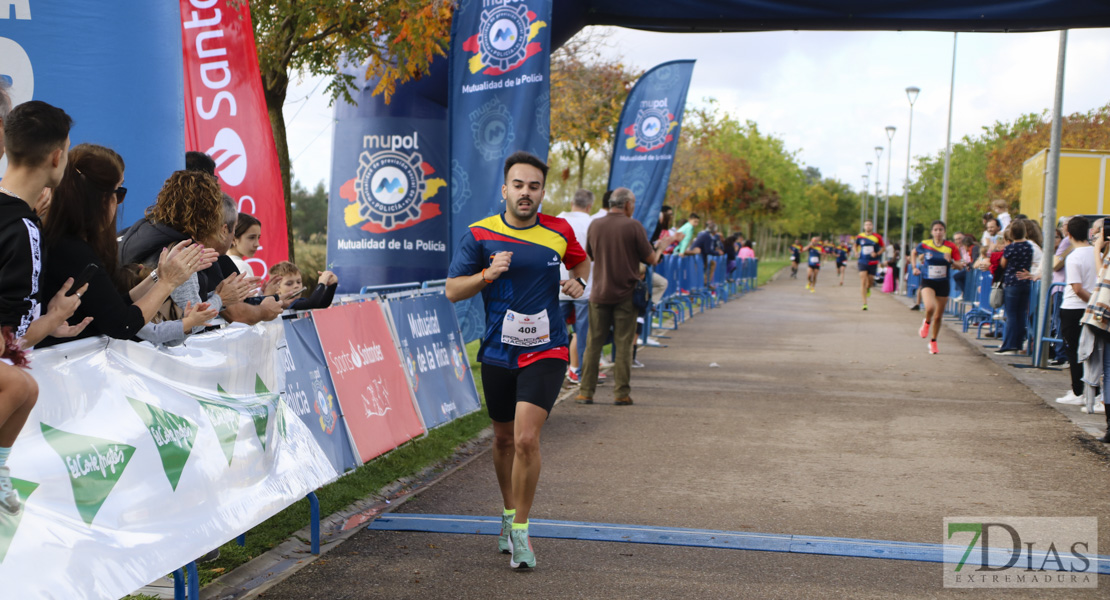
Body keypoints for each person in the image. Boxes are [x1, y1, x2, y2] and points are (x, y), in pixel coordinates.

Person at [445, 151, 588, 570]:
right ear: (505, 189)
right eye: (519, 185)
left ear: (543, 191)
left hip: (547, 348)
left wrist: (577, 280)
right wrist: (487, 274)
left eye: (535, 186)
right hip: (497, 352)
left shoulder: (558, 230)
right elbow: (453, 290)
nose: (527, 193)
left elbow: (580, 260)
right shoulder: (480, 234)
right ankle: (508, 513)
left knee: (527, 438)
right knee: (504, 439)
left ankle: (522, 532)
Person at [0, 100, 89, 515]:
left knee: (25, 387)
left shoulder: (20, 220)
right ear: (57, 157)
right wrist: (52, 319)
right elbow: (10, 338)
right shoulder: (23, 229)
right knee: (22, 386)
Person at [38, 144, 215, 347]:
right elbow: (123, 324)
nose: (119, 202)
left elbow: (110, 306)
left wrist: (158, 275)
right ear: (99, 197)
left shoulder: (62, 241)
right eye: (119, 191)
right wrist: (168, 283)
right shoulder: (75, 251)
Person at [577, 186, 673, 408]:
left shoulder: (595, 225)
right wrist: (660, 249)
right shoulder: (634, 226)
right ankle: (621, 393)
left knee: (593, 343)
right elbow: (650, 260)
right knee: (623, 344)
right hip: (626, 295)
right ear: (628, 204)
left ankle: (585, 392)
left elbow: (589, 255)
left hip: (599, 293)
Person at [1054, 217, 1096, 405]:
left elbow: (1077, 288)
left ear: (1068, 234)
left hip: (1073, 306)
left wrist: (1091, 302)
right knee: (1091, 352)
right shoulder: (1096, 253)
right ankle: (1088, 390)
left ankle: (1078, 391)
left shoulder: (1074, 257)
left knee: (1074, 351)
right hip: (1089, 307)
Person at [556, 190, 596, 384]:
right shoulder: (592, 223)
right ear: (589, 206)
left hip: (559, 285)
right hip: (584, 286)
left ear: (572, 202)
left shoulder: (557, 220)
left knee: (555, 330)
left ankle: (555, 370)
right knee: (582, 332)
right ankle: (577, 371)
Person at [910, 221, 964, 354]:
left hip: (943, 283)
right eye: (935, 230)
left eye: (941, 230)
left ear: (944, 231)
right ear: (932, 232)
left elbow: (960, 265)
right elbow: (913, 252)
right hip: (928, 281)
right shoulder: (925, 244)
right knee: (930, 307)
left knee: (939, 316)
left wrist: (950, 261)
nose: (938, 232)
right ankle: (927, 322)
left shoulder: (951, 247)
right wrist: (914, 267)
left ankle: (933, 341)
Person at [995, 220, 1034, 355]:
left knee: (1011, 315)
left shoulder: (1010, 248)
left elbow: (1003, 264)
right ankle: (1018, 343)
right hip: (1025, 282)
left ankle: (1009, 345)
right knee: (1021, 314)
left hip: (1012, 283)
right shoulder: (1029, 247)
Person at [264, 262, 338, 311]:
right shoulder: (288, 304)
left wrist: (332, 285)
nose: (296, 286)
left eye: (298, 282)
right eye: (289, 284)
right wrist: (321, 283)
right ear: (277, 289)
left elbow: (323, 304)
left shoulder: (297, 301)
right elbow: (313, 303)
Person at [855, 220, 884, 310]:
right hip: (862, 261)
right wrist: (856, 252)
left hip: (873, 262)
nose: (868, 226)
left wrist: (877, 253)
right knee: (863, 281)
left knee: (870, 281)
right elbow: (855, 245)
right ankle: (865, 303)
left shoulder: (877, 237)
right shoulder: (860, 236)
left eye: (869, 225)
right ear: (864, 227)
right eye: (866, 225)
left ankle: (868, 288)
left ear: (872, 226)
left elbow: (883, 247)